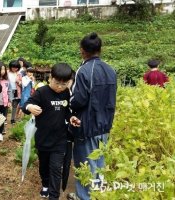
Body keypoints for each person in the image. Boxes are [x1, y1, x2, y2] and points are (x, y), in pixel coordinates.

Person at [69, 32, 117, 200]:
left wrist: (70, 100)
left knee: (85, 164)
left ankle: (84, 197)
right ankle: (97, 195)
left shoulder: (84, 70)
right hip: (105, 124)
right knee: (99, 163)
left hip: (87, 126)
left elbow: (78, 100)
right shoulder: (110, 70)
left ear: (82, 51)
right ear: (100, 49)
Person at [22, 63, 73, 200]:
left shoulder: (66, 93)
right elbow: (25, 105)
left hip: (60, 139)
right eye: (57, 83)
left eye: (64, 84)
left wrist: (71, 118)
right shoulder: (42, 92)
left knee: (56, 169)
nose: (60, 87)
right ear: (50, 78)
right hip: (43, 138)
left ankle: (54, 196)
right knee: (44, 166)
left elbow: (67, 111)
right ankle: (45, 184)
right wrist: (31, 106)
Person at [0, 61, 11, 141]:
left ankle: (0, 133)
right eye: (1, 69)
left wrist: (9, 101)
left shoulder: (7, 80)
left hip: (4, 102)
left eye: (4, 69)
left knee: (2, 118)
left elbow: (9, 91)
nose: (3, 71)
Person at [7, 60, 21, 124]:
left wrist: (19, 82)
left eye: (16, 67)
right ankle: (4, 119)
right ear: (10, 67)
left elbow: (21, 83)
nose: (15, 69)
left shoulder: (18, 74)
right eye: (13, 67)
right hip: (8, 90)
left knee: (14, 105)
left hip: (16, 90)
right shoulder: (7, 73)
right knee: (7, 104)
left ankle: (13, 119)